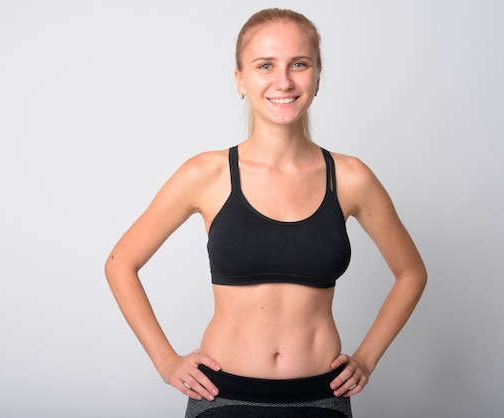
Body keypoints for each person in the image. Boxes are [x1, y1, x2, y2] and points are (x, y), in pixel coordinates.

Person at [105, 8, 427, 418]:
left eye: (298, 63)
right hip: (223, 399)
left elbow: (411, 273)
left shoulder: (350, 178)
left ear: (317, 75)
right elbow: (120, 264)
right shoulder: (206, 174)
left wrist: (366, 358)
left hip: (320, 400)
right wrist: (165, 359)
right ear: (240, 79)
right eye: (265, 65)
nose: (284, 81)